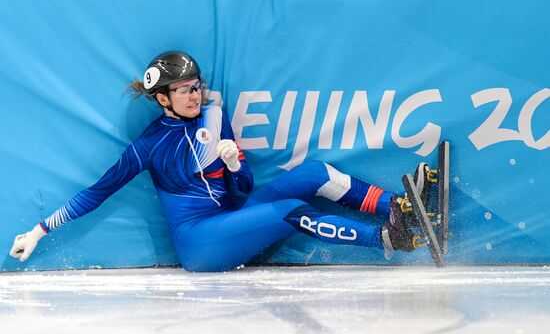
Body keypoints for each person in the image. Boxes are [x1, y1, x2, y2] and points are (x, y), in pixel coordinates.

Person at [9, 50, 430, 272]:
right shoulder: (148, 145)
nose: (195, 95)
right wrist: (39, 230)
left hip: (236, 215)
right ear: (162, 99)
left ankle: (398, 207)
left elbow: (242, 189)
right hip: (201, 244)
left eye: (197, 86)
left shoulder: (214, 115)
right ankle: (388, 239)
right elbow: (96, 193)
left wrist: (234, 165)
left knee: (313, 173)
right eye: (185, 91)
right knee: (289, 211)